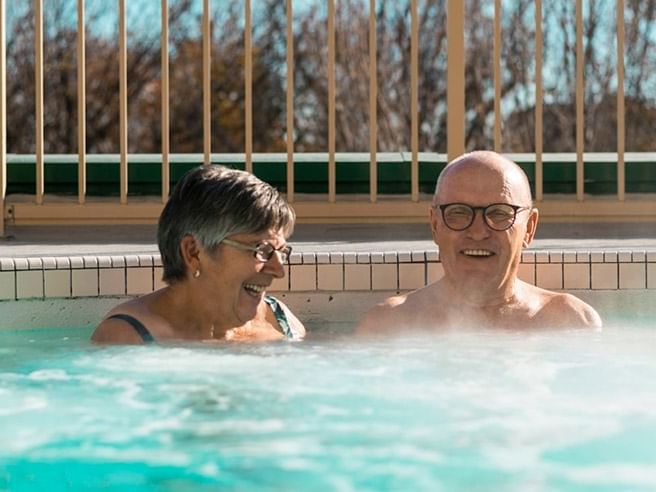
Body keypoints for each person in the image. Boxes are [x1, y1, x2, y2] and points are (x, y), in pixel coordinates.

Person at [358, 150, 602, 334]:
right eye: (458, 212)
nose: (478, 231)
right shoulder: (387, 326)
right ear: (435, 225)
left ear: (529, 228)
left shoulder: (570, 323)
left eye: (499, 213)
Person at [92, 165, 305, 344]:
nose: (279, 270)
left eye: (281, 252)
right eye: (262, 250)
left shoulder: (281, 323)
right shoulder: (129, 339)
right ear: (193, 252)